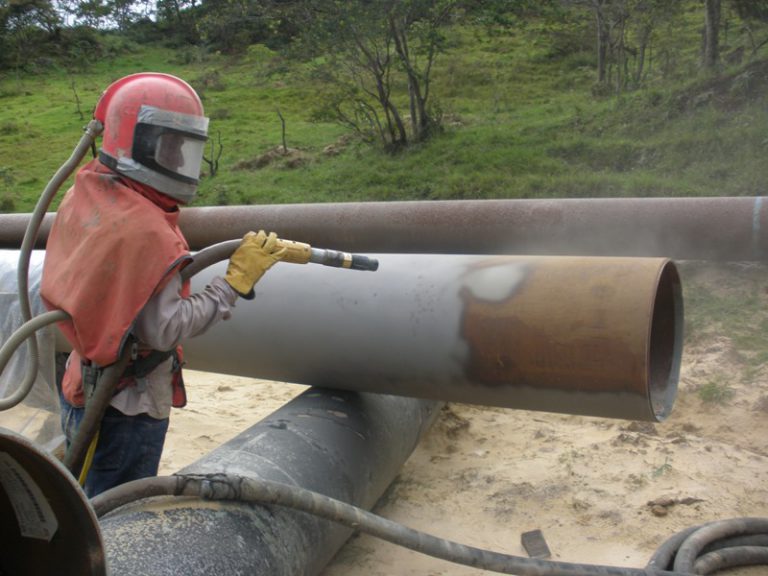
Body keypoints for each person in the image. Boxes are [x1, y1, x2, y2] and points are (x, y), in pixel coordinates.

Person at [40, 72, 285, 497]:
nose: (177, 160)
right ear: (136, 142)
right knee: (115, 510)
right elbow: (162, 328)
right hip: (125, 407)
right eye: (167, 147)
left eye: (182, 148)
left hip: (82, 382)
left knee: (79, 496)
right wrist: (232, 285)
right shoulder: (149, 232)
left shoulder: (88, 191)